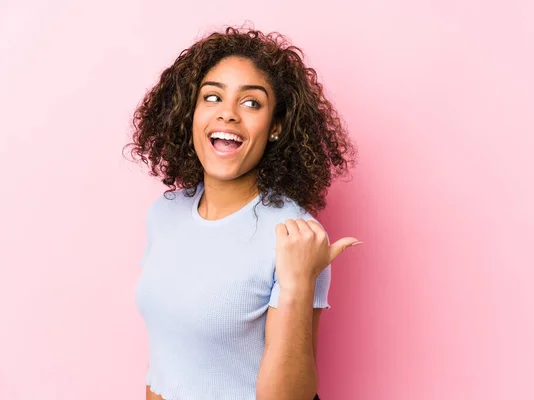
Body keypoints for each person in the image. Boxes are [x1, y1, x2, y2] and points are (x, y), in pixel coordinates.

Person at [123, 25, 359, 400]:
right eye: (212, 97)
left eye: (251, 103)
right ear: (191, 113)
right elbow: (165, 367)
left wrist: (297, 284)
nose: (229, 114)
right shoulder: (165, 213)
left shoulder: (294, 235)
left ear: (276, 126)